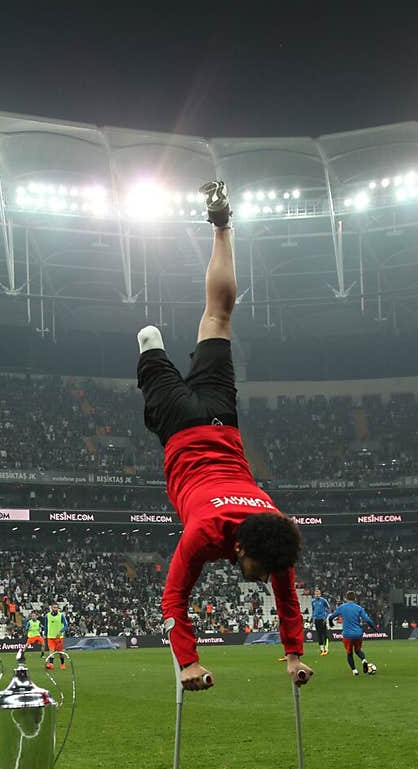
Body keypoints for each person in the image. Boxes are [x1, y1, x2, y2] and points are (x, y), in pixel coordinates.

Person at [136, 180, 312, 693]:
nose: (262, 577)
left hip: (221, 420)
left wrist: (294, 654)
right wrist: (188, 663)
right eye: (261, 571)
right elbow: (174, 598)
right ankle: (152, 347)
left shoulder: (271, 529)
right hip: (179, 428)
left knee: (218, 317)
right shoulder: (205, 534)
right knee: (150, 344)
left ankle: (222, 225)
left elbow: (286, 595)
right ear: (244, 546)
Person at [329, 591, 377, 676]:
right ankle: (363, 660)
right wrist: (374, 628)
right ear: (355, 598)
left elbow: (331, 617)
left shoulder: (342, 607)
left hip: (347, 635)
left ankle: (355, 671)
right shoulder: (359, 608)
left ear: (346, 598)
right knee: (358, 651)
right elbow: (367, 619)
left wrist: (331, 623)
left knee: (349, 653)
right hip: (358, 634)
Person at [43, 602, 69, 669]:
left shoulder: (61, 616)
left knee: (60, 653)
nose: (55, 609)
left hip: (58, 637)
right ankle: (51, 664)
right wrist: (45, 634)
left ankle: (62, 664)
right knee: (51, 651)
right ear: (51, 608)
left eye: (56, 607)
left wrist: (61, 632)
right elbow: (46, 626)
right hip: (50, 636)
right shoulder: (47, 616)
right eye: (54, 607)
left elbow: (66, 625)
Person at [311, 587, 332, 657]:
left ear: (320, 594)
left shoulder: (323, 600)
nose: (317, 595)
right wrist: (313, 618)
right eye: (316, 594)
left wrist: (326, 617)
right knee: (319, 634)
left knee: (325, 634)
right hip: (316, 619)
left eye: (318, 594)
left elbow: (329, 608)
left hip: (322, 619)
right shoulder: (313, 601)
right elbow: (313, 610)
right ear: (314, 594)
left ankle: (326, 649)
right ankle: (321, 649)